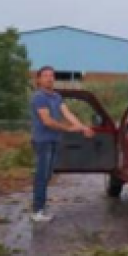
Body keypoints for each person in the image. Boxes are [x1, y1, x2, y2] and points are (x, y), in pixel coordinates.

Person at [30, 66, 94, 223]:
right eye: (45, 76)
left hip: (54, 140)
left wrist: (82, 127)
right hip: (42, 141)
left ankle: (41, 206)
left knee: (47, 175)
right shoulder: (39, 97)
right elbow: (47, 121)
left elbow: (67, 114)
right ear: (39, 79)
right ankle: (37, 210)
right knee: (42, 175)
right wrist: (68, 129)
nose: (49, 78)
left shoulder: (56, 96)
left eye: (51, 76)